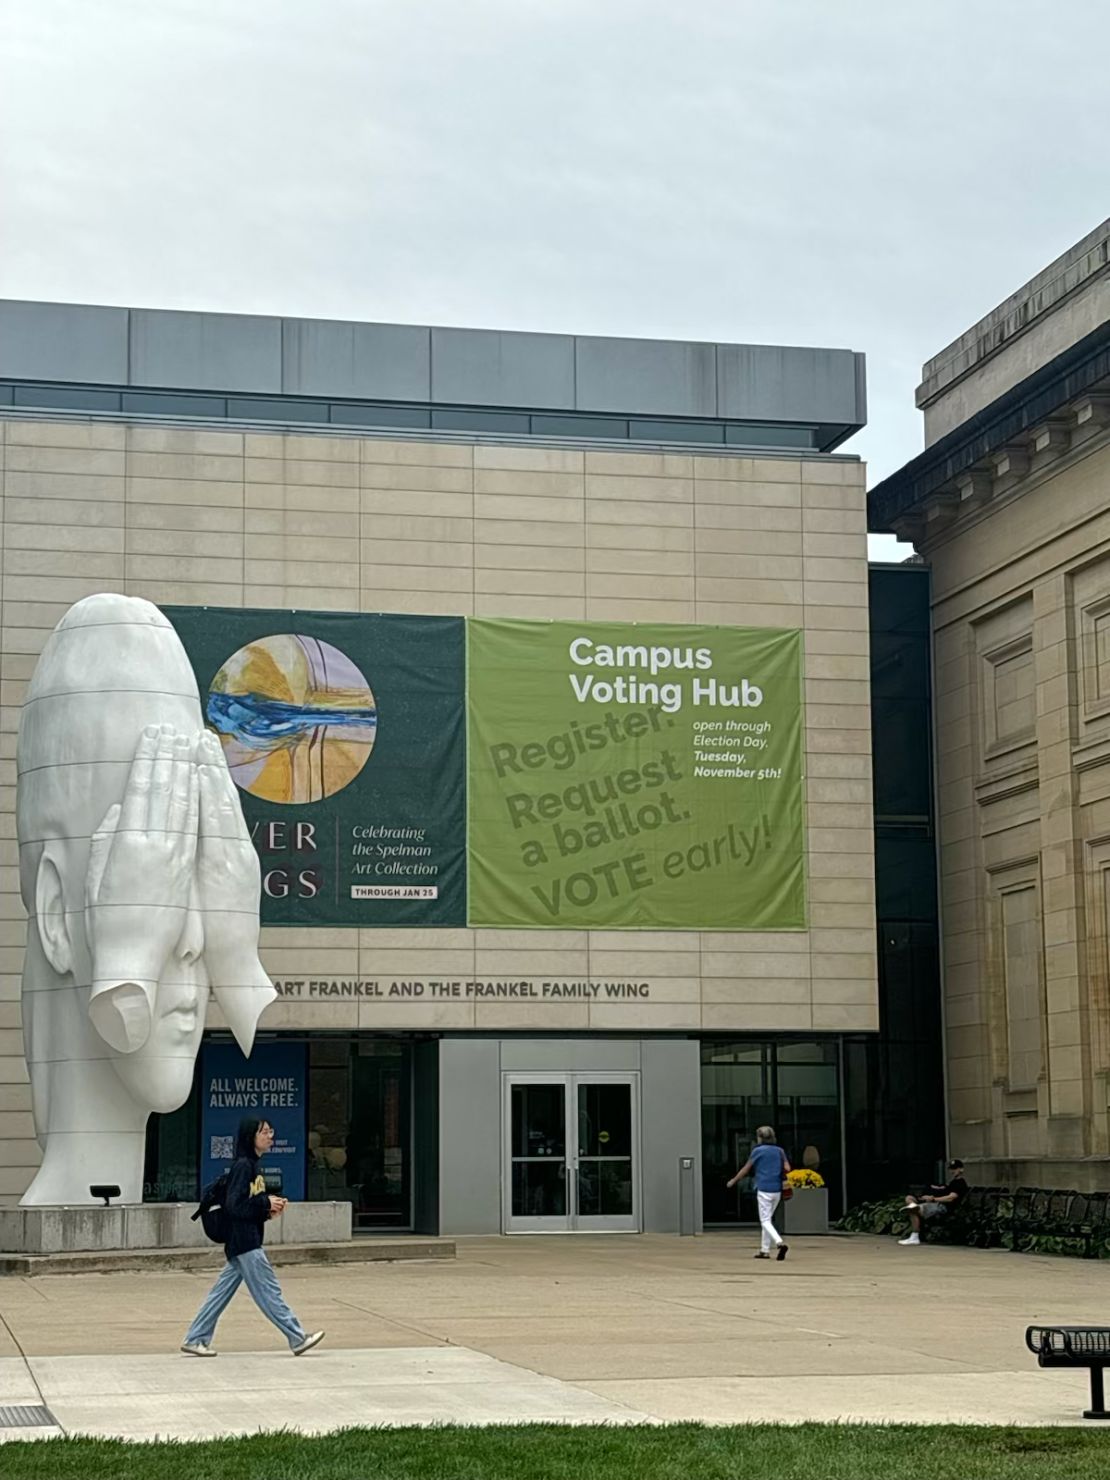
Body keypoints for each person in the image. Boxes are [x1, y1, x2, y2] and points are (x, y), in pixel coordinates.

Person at [18, 594, 275, 1205]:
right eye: (155, 868)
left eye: (200, 867)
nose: (194, 941)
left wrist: (236, 948)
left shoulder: (205, 937)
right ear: (56, 916)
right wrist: (130, 951)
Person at [182, 1117, 325, 1357]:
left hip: (242, 1241)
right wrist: (264, 1201)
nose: (270, 1136)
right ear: (252, 1137)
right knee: (269, 1291)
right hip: (246, 1243)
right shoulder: (244, 1166)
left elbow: (245, 1208)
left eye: (271, 1131)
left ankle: (195, 1338)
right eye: (265, 1132)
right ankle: (297, 1337)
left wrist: (268, 1211)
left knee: (221, 1293)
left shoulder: (251, 1166)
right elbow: (234, 1206)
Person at [726, 1124, 792, 1261]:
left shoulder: (758, 1151)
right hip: (777, 1189)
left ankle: (780, 1243)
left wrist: (734, 1180)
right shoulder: (779, 1151)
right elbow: (787, 1167)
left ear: (760, 1138)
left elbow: (746, 1169)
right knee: (768, 1218)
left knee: (765, 1220)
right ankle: (764, 1250)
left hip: (763, 1188)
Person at [898, 1159, 969, 1245]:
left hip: (943, 1207)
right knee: (909, 1198)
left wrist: (933, 1199)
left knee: (912, 1209)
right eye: (951, 1169)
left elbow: (950, 1198)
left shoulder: (960, 1183)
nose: (952, 1171)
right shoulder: (952, 1183)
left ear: (961, 1169)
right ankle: (914, 1209)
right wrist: (927, 1197)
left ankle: (915, 1236)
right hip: (935, 1203)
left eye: (955, 1168)